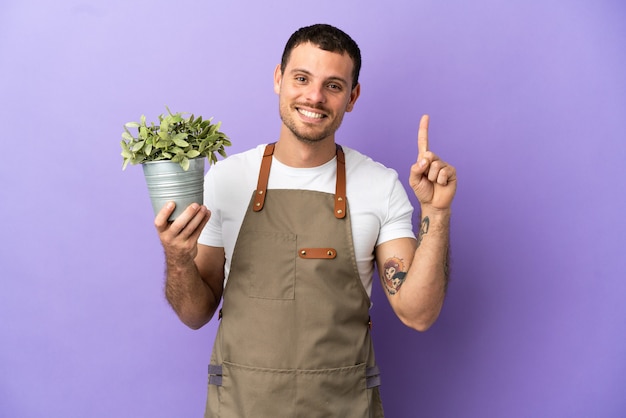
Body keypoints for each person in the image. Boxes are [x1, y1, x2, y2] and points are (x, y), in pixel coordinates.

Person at [155, 23, 457, 418]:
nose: (314, 96)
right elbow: (195, 314)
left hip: (343, 407)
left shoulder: (379, 186)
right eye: (302, 78)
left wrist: (436, 212)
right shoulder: (226, 180)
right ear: (279, 79)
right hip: (241, 407)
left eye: (333, 85)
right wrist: (178, 259)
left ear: (352, 97)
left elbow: (418, 314)